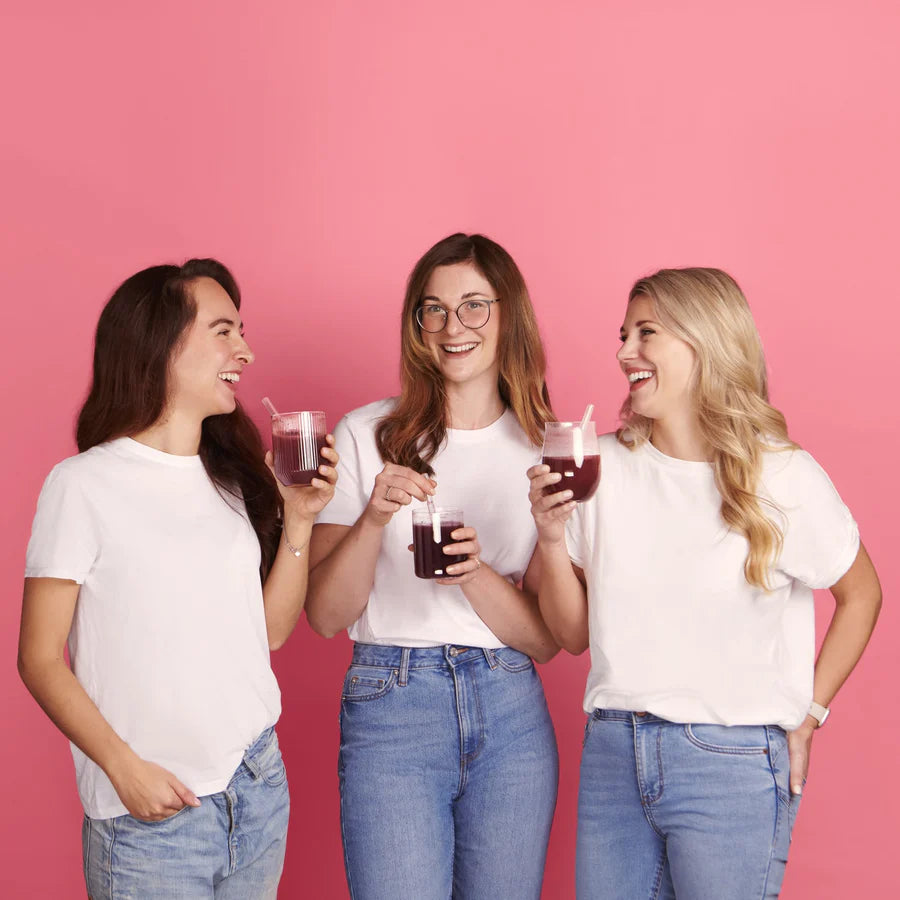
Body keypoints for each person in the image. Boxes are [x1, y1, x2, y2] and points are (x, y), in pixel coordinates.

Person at [528, 267, 882, 899]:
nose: (622, 352)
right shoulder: (600, 467)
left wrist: (809, 714)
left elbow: (862, 594)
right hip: (614, 751)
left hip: (732, 765)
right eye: (622, 333)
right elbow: (573, 635)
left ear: (704, 344)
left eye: (646, 333)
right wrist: (552, 541)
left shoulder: (782, 475)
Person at [18, 259, 338, 899]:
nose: (244, 351)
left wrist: (298, 521)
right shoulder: (82, 485)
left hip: (255, 788)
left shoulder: (230, 482)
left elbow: (269, 634)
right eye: (224, 331)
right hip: (151, 818)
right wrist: (122, 769)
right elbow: (39, 659)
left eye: (242, 332)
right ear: (161, 344)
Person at [307, 233, 559, 899]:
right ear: (416, 324)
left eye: (475, 306)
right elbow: (327, 616)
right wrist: (374, 519)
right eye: (434, 309)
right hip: (393, 703)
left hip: (510, 708)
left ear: (510, 317)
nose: (454, 327)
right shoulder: (366, 434)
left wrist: (474, 573)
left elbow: (545, 640)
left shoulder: (544, 448)